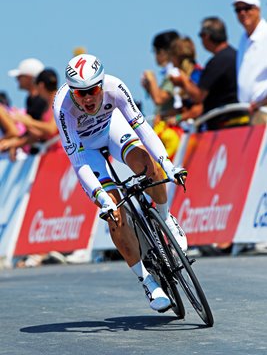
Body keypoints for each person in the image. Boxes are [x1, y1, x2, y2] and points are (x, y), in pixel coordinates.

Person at [53, 53, 188, 313]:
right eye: (80, 94)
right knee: (115, 213)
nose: (88, 98)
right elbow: (79, 162)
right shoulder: (63, 107)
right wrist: (102, 198)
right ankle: (146, 280)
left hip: (112, 129)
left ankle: (166, 218)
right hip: (86, 149)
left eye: (92, 90)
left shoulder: (115, 86)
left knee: (151, 166)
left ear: (102, 84)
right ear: (72, 92)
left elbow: (143, 128)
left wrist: (168, 164)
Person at [171, 17, 249, 130]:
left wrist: (183, 81)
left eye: (200, 35)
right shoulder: (236, 55)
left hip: (224, 125)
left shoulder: (217, 62)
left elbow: (198, 97)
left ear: (206, 36)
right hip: (242, 119)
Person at [0, 69, 60, 156]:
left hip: (62, 154)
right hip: (53, 153)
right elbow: (40, 134)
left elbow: (51, 129)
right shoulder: (50, 103)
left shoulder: (58, 101)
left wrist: (27, 121)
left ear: (41, 85)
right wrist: (12, 144)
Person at [233, 0, 267, 124]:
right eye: (238, 10)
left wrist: (262, 102)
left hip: (263, 110)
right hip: (250, 112)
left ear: (258, 10)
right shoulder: (243, 39)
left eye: (247, 8)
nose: (242, 13)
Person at [141, 30, 180, 122]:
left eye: (155, 51)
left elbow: (159, 99)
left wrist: (151, 78)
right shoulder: (172, 71)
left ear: (162, 52)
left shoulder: (174, 72)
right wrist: (149, 88)